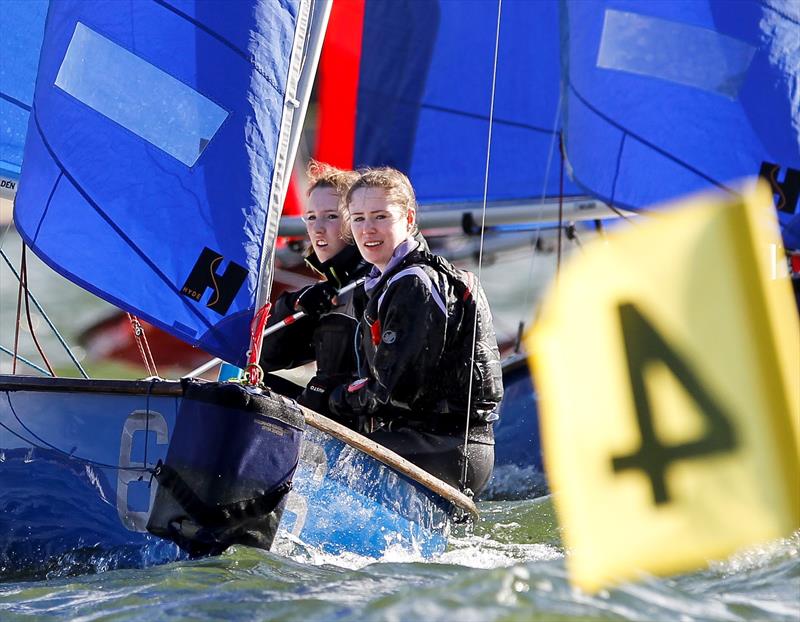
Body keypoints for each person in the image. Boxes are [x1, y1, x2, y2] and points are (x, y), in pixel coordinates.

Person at [328, 167, 504, 495]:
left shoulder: (415, 284)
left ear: (408, 219)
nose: (368, 229)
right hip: (431, 443)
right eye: (358, 218)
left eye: (381, 216)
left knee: (325, 459)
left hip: (446, 447)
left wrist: (335, 398)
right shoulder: (381, 283)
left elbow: (397, 388)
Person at [260, 161, 369, 416]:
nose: (317, 228)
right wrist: (295, 304)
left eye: (331, 216)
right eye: (311, 218)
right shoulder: (328, 292)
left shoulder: (377, 283)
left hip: (362, 426)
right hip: (330, 417)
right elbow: (264, 357)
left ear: (357, 220)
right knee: (240, 384)